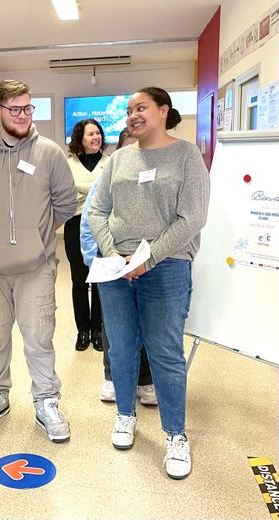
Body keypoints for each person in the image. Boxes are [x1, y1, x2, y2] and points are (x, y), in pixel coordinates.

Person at [89, 87, 209, 479]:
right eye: (128, 110)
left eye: (141, 108)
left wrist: (148, 258)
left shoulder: (186, 156)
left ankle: (175, 435)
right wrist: (111, 254)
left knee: (164, 353)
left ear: (163, 111)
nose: (132, 115)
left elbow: (192, 218)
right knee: (121, 349)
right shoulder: (118, 158)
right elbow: (97, 209)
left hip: (166, 267)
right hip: (116, 270)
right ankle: (125, 416)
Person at [0, 79, 77, 443]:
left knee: (39, 339)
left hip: (35, 268)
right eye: (16, 109)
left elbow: (66, 205)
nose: (24, 115)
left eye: (28, 108)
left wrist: (33, 236)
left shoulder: (50, 153)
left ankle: (46, 401)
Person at [80, 128, 157, 405]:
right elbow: (90, 220)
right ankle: (112, 377)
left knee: (147, 324)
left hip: (148, 262)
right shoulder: (108, 177)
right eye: (127, 146)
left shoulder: (155, 177)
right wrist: (96, 260)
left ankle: (145, 381)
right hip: (111, 263)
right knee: (114, 326)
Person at [65, 119, 108, 351]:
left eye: (98, 133)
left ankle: (98, 330)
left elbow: (108, 193)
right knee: (79, 280)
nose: (96, 137)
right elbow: (64, 192)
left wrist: (81, 192)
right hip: (75, 223)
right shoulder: (68, 164)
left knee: (101, 279)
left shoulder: (110, 163)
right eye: (90, 133)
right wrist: (93, 191)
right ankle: (83, 331)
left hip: (102, 226)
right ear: (80, 138)